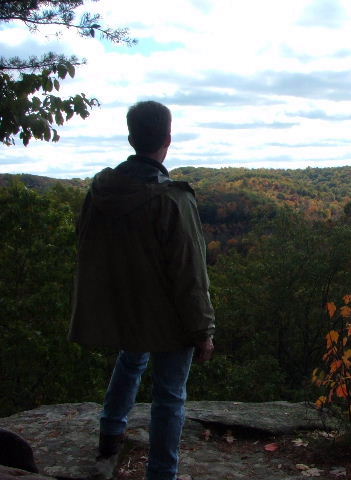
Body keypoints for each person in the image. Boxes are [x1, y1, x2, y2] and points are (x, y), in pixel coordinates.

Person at [68, 100, 215, 480]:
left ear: (131, 137)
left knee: (131, 359)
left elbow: (85, 241)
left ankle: (110, 433)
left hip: (125, 305)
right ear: (167, 138)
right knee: (169, 396)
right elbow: (190, 274)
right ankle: (162, 473)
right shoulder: (172, 199)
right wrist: (202, 330)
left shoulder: (103, 189)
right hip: (166, 317)